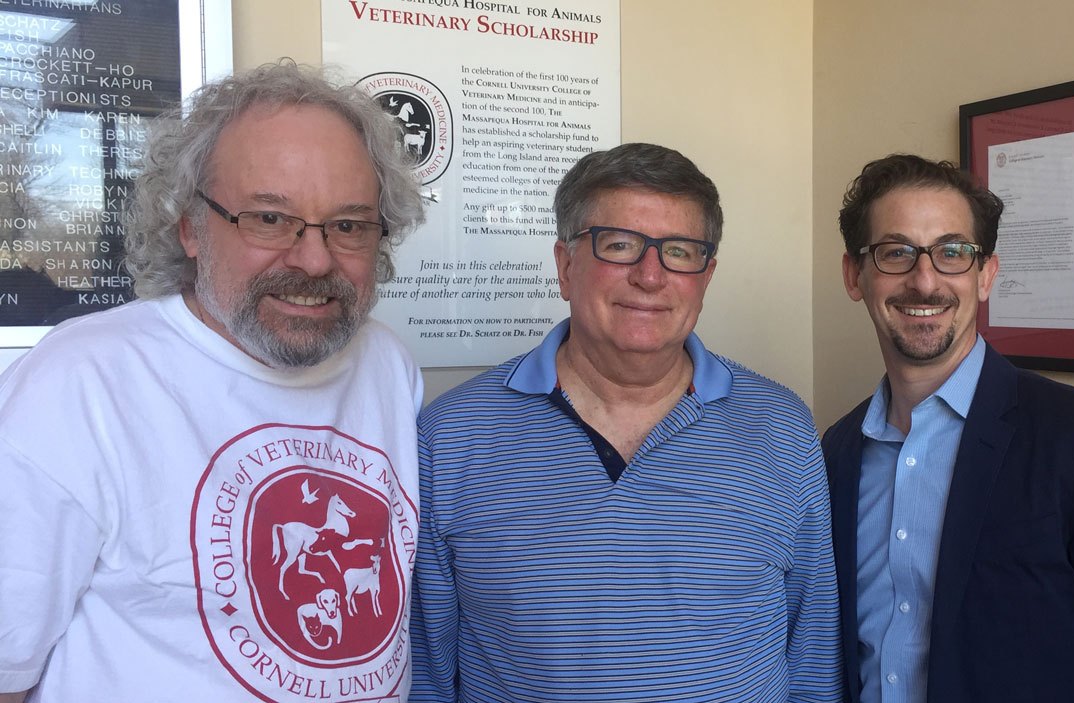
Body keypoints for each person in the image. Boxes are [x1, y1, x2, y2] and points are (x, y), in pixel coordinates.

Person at [0, 61, 426, 702]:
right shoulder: (79, 384)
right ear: (189, 227)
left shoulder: (386, 365)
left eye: (348, 225)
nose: (314, 259)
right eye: (269, 219)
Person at [411, 142, 841, 702]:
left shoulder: (781, 428)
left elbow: (812, 655)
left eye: (680, 252)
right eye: (619, 245)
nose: (650, 275)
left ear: (706, 276)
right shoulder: (450, 437)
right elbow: (425, 670)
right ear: (566, 266)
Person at [823, 153, 1074, 703]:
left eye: (953, 252)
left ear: (986, 276)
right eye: (895, 252)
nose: (924, 280)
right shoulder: (835, 451)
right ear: (855, 275)